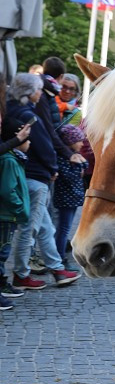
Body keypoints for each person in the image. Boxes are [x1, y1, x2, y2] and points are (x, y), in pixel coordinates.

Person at [3, 74, 80, 288]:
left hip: (29, 174)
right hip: (36, 176)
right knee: (31, 229)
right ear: (29, 92)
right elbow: (43, 144)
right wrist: (52, 167)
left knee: (45, 227)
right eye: (38, 89)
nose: (40, 94)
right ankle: (21, 274)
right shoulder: (28, 113)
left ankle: (57, 269)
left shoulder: (12, 109)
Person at [0, 113, 32, 308]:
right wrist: (19, 208)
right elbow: (7, 190)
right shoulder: (9, 160)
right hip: (6, 214)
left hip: (8, 214)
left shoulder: (12, 158)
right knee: (2, 252)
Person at [53, 124, 88, 260]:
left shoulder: (74, 156)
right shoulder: (63, 158)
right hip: (65, 199)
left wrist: (81, 164)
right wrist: (80, 165)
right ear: (70, 142)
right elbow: (71, 177)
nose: (82, 144)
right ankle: (59, 256)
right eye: (79, 141)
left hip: (71, 198)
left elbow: (84, 167)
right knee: (64, 229)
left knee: (65, 228)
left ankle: (59, 253)